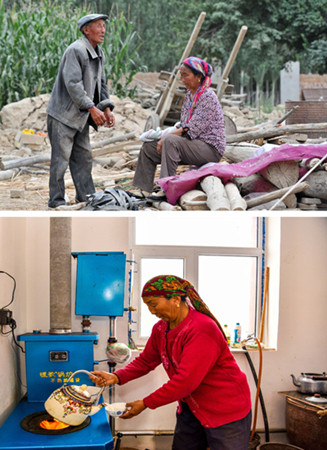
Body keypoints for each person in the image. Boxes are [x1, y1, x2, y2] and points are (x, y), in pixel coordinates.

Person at [90, 275, 251, 450]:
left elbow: (185, 382)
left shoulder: (201, 329)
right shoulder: (161, 328)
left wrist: (145, 403)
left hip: (225, 410)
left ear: (175, 299)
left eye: (153, 304)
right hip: (191, 408)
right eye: (148, 306)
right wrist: (115, 377)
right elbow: (146, 361)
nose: (152, 311)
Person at [47, 13, 115, 208]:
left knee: (84, 158)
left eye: (104, 26)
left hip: (80, 116)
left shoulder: (98, 53)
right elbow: (73, 84)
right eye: (98, 26)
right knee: (60, 161)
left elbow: (101, 84)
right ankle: (56, 201)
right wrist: (93, 108)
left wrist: (107, 108)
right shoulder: (76, 50)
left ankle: (86, 198)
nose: (103, 30)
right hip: (63, 115)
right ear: (86, 30)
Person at [132, 57, 225, 198]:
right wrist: (160, 135)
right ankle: (143, 189)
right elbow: (183, 124)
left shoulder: (208, 97)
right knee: (148, 147)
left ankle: (166, 188)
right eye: (181, 75)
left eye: (185, 75)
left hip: (209, 148)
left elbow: (190, 130)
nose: (182, 79)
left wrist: (165, 137)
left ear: (199, 76)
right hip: (191, 146)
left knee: (170, 141)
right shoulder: (189, 95)